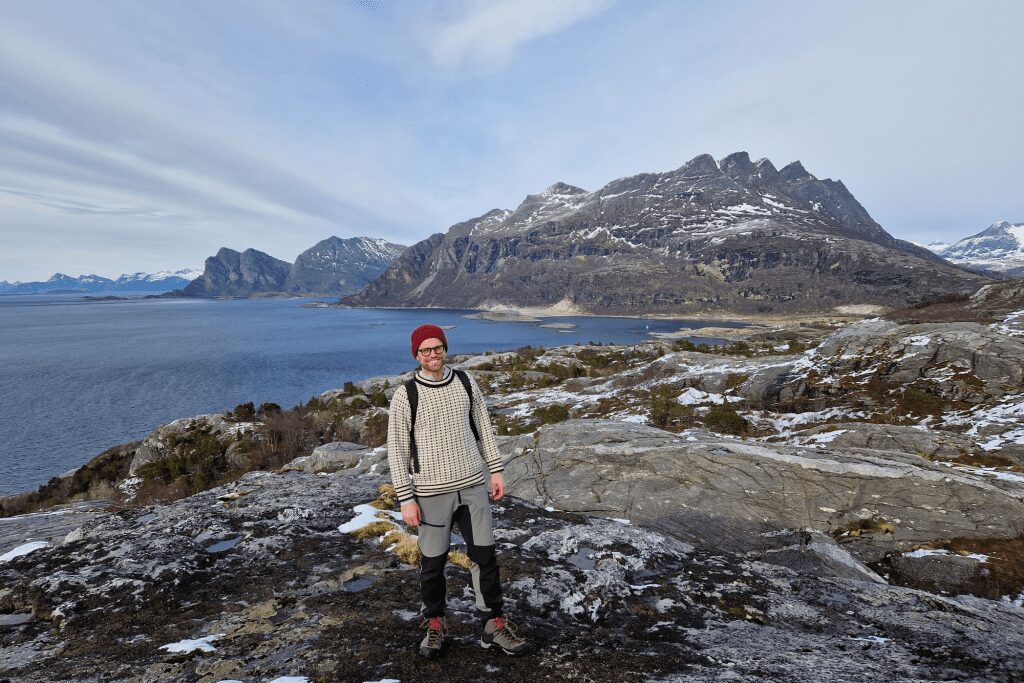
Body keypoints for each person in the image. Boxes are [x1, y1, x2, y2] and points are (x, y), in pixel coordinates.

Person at [386, 324, 528, 660]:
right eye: (425, 351)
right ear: (416, 355)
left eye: (437, 348)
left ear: (445, 348)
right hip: (431, 494)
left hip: (472, 487)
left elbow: (483, 427)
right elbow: (397, 449)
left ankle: (493, 626)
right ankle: (435, 624)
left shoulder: (465, 381)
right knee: (432, 564)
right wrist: (406, 498)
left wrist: (495, 469)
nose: (432, 355)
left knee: (485, 558)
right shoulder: (407, 394)